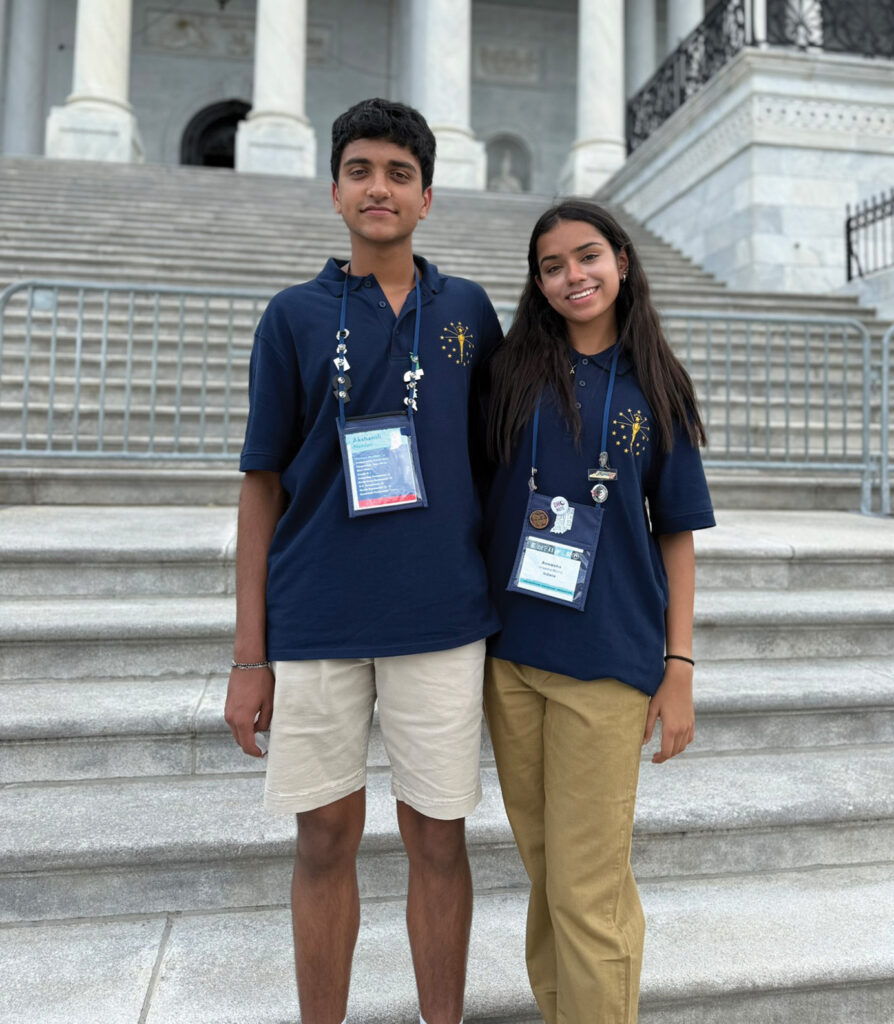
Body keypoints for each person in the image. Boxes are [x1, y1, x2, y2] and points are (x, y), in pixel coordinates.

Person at [224, 98, 502, 1024]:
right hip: (317, 616)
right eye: (360, 170)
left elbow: (502, 458)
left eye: (398, 172)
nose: (377, 187)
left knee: (437, 839)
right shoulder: (292, 316)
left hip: (442, 616)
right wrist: (248, 654)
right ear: (334, 189)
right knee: (323, 840)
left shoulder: (465, 309)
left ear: (428, 197)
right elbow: (261, 485)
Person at [482, 199, 715, 1023]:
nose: (572, 276)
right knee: (549, 875)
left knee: (587, 889)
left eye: (586, 257)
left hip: (608, 663)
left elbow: (677, 536)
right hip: (510, 659)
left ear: (620, 260)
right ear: (537, 282)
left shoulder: (657, 385)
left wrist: (678, 667)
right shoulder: (509, 371)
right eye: (552, 266)